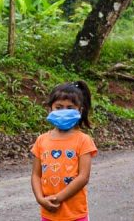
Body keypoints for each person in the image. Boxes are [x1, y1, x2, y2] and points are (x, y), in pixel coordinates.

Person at [31, 80, 97, 221]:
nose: (64, 112)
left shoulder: (83, 140)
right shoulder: (41, 140)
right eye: (59, 107)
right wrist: (40, 199)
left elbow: (83, 177)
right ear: (50, 109)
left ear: (80, 110)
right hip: (48, 212)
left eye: (70, 108)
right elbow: (36, 175)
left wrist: (57, 198)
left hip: (75, 214)